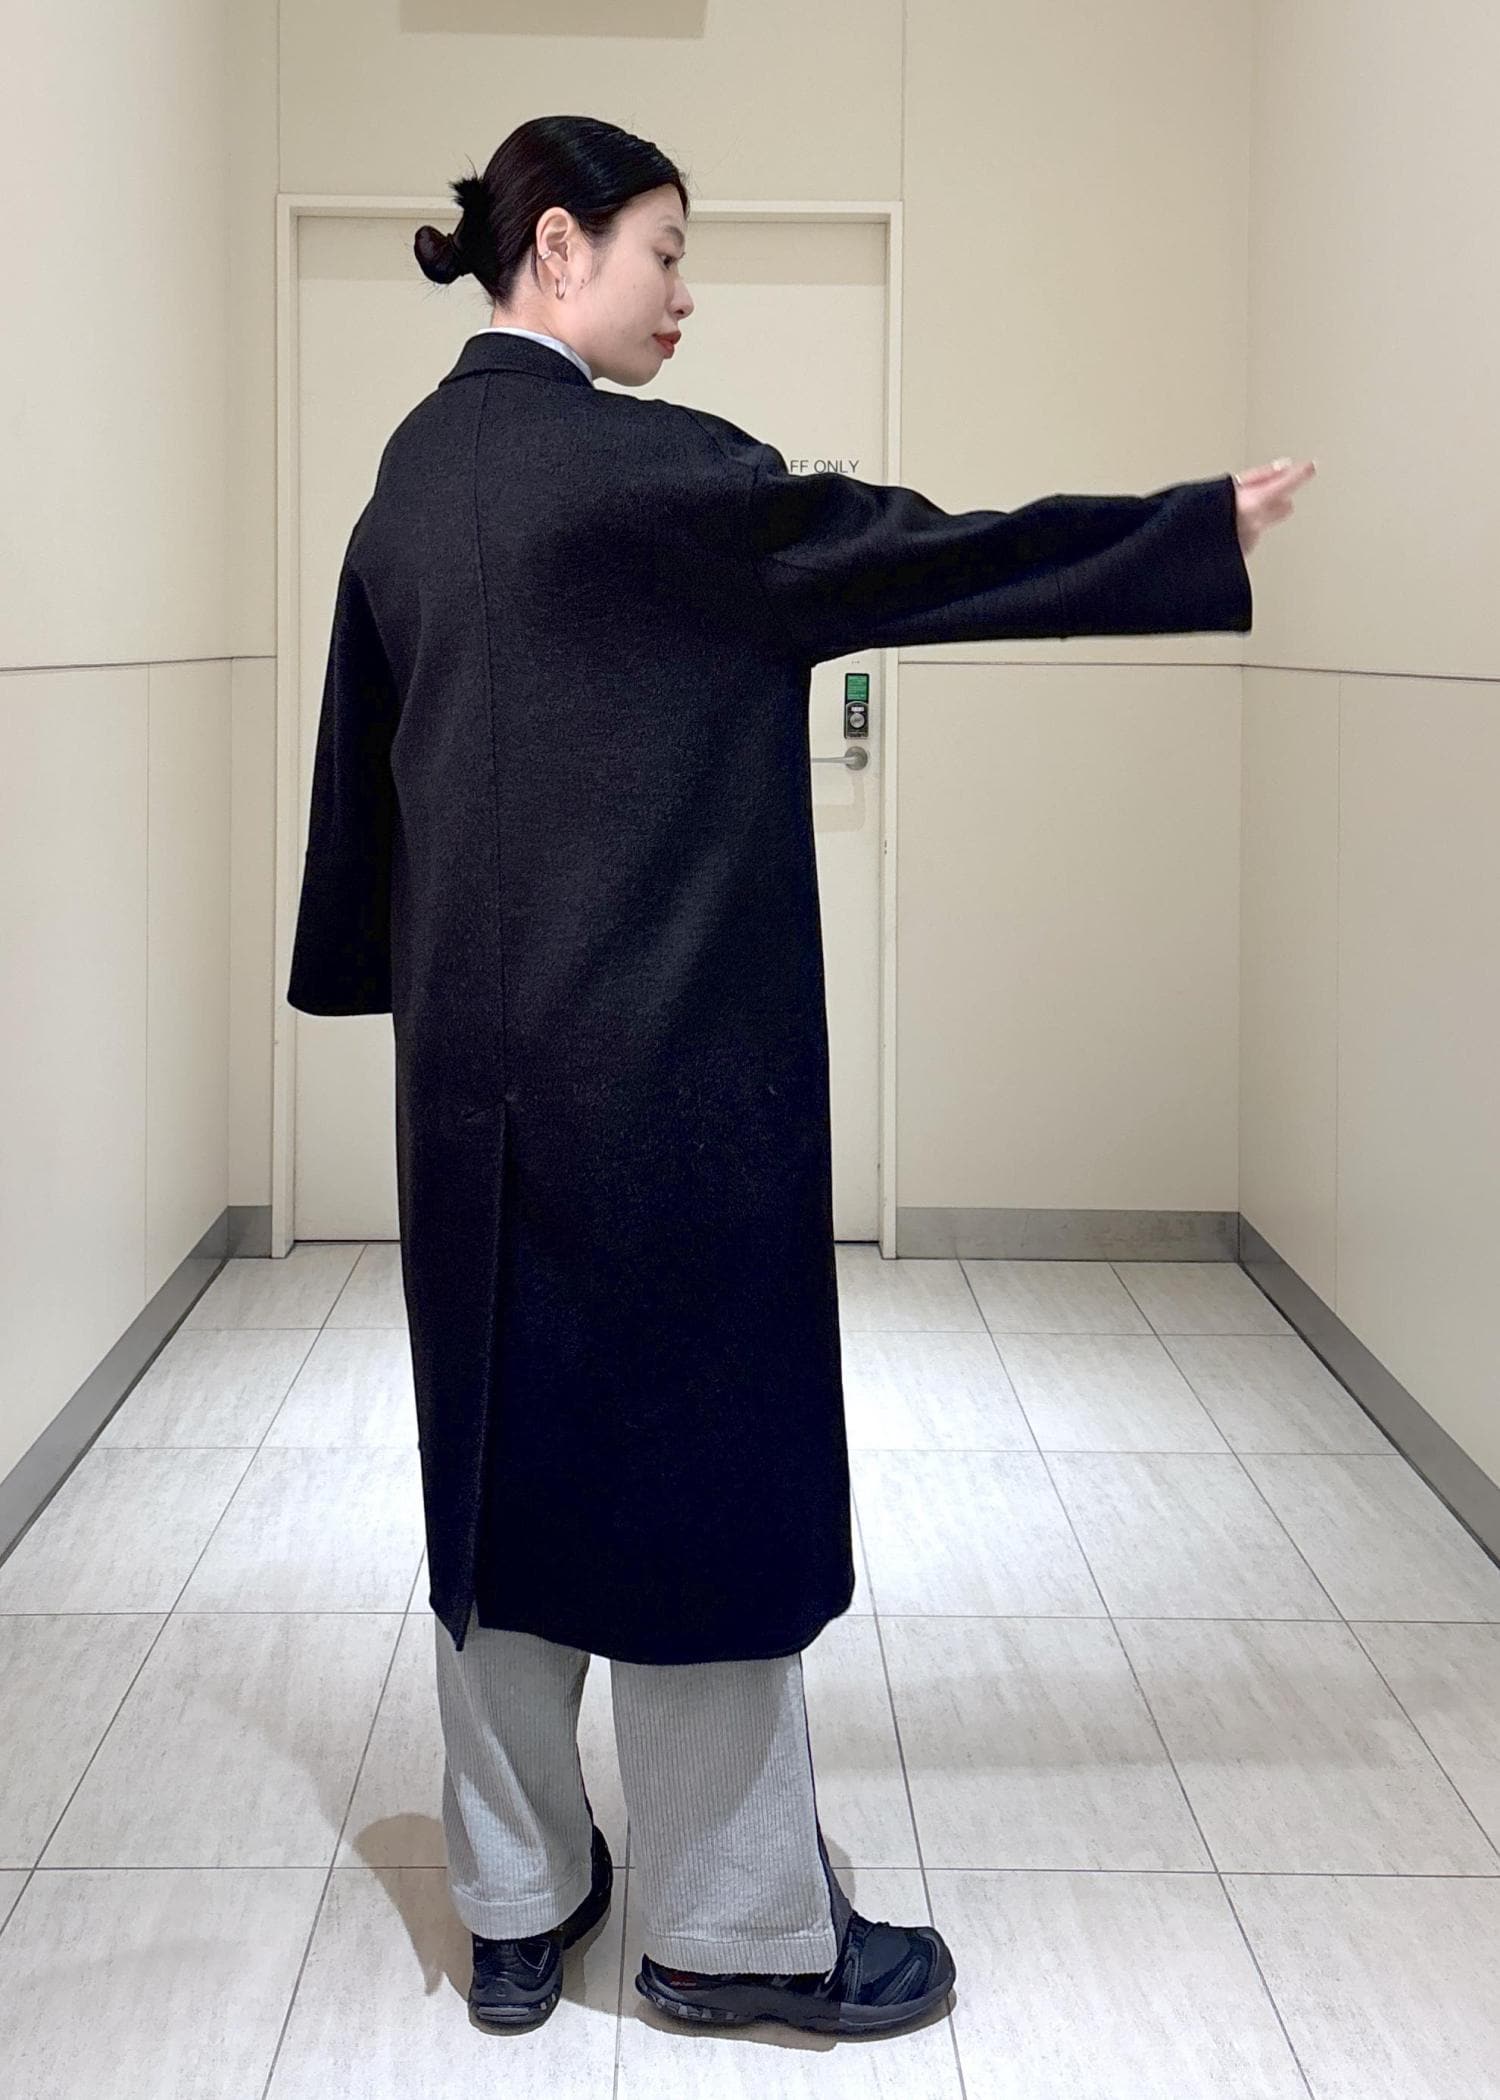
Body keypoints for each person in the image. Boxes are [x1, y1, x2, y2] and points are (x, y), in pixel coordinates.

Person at [286, 112, 1315, 2039]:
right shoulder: (665, 481)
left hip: (470, 1096)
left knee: (495, 1479)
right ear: (562, 244)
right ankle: (732, 1933)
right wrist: (1181, 535)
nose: (688, 292)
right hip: (668, 1084)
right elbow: (911, 558)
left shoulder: (408, 480)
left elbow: (368, 767)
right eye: (668, 250)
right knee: (703, 1485)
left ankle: (515, 1910)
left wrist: (366, 973)